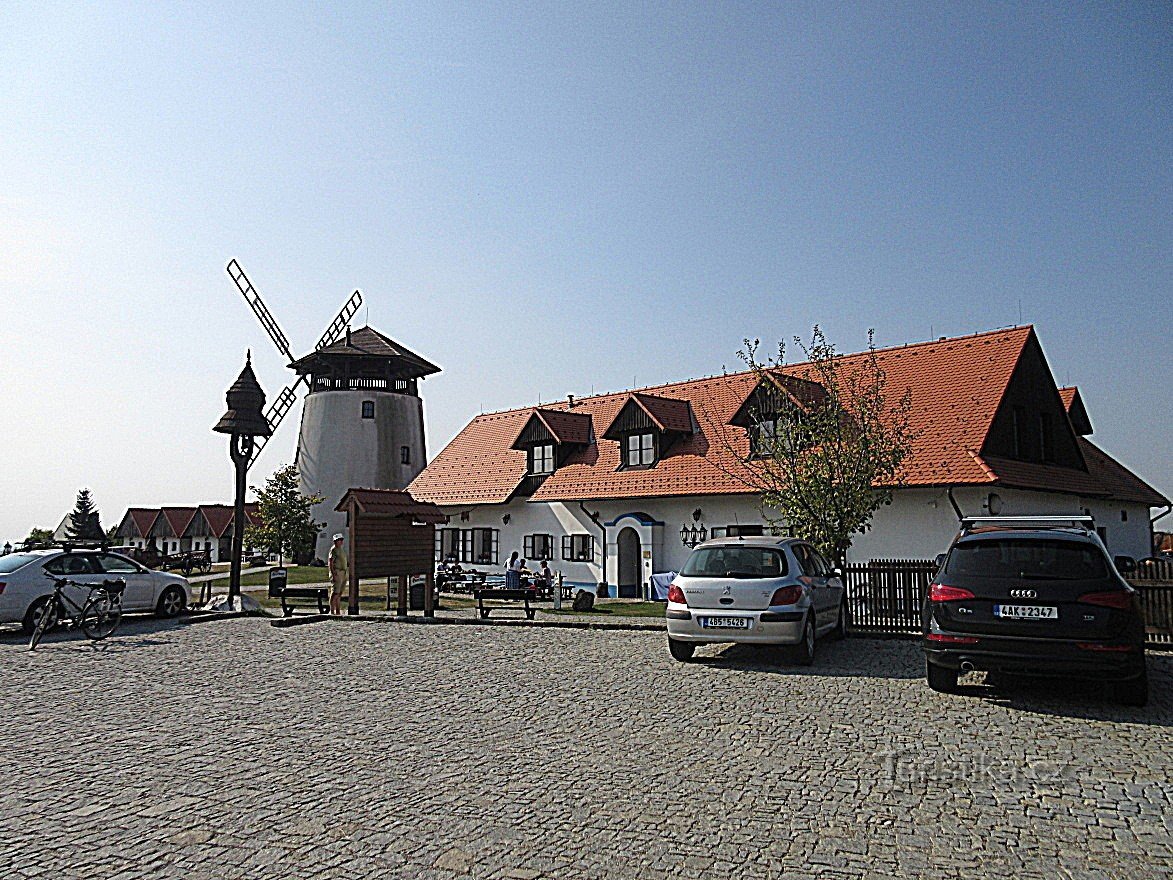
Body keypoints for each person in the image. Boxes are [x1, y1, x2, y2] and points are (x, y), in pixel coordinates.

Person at [328, 533, 348, 615]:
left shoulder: (341, 549)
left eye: (341, 540)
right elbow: (331, 562)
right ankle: (332, 611)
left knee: (339, 593)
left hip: (343, 572)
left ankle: (338, 611)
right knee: (335, 592)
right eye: (338, 540)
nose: (340, 541)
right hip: (337, 572)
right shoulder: (334, 550)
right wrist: (333, 574)